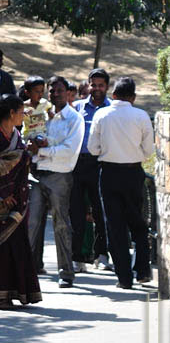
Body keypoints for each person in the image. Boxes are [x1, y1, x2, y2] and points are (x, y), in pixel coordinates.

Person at [87, 77, 154, 290]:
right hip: (133, 172)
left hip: (108, 173)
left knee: (114, 226)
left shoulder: (101, 114)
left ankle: (124, 278)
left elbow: (93, 148)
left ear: (113, 95)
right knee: (138, 222)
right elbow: (149, 151)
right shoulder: (141, 116)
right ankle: (143, 269)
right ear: (133, 97)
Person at [26, 77, 84, 287]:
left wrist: (41, 151)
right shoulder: (42, 115)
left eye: (59, 91)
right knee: (31, 224)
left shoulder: (74, 119)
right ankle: (22, 272)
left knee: (61, 224)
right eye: (52, 91)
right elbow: (31, 138)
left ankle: (66, 273)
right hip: (37, 174)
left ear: (68, 93)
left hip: (60, 177)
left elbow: (69, 151)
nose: (55, 95)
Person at [0, 94, 41, 306]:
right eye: (20, 111)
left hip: (17, 199)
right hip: (2, 200)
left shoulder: (15, 134)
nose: (24, 115)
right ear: (11, 113)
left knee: (16, 245)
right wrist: (3, 194)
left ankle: (13, 292)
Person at [71, 68, 110, 272]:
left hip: (100, 165)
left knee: (101, 212)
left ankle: (102, 256)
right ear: (88, 85)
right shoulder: (77, 108)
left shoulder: (111, 109)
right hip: (78, 164)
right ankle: (77, 258)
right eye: (93, 84)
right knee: (76, 212)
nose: (96, 89)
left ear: (107, 87)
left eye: (100, 85)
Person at [20, 77, 50, 146]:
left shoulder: (44, 103)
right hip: (28, 136)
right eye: (37, 91)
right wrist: (23, 114)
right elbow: (17, 119)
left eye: (42, 91)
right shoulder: (23, 106)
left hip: (42, 134)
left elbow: (51, 108)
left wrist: (50, 112)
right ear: (27, 93)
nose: (40, 94)